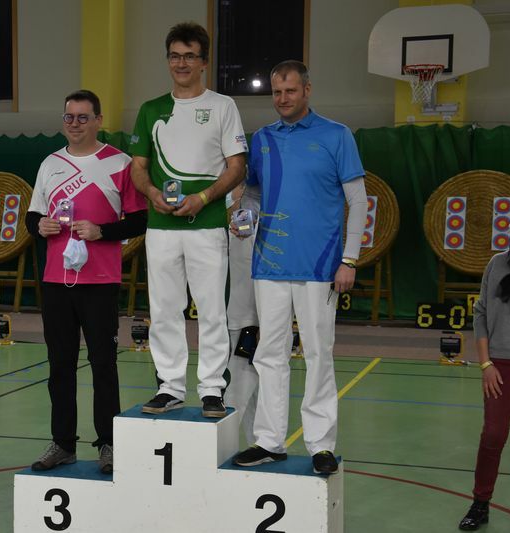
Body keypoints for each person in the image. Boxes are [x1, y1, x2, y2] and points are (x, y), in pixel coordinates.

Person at [231, 60, 367, 474]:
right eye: (276, 92)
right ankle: (269, 441)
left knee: (318, 354)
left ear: (307, 89)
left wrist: (349, 259)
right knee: (269, 355)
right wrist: (244, 218)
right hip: (269, 265)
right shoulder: (262, 139)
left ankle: (321, 444)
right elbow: (253, 194)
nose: (282, 99)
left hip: (320, 266)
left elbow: (358, 201)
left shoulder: (337, 135)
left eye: (290, 91)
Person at [24, 89, 147, 474]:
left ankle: (108, 443)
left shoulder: (120, 163)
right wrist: (40, 225)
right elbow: (32, 216)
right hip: (56, 280)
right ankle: (63, 444)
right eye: (69, 117)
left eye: (82, 117)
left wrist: (102, 231)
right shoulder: (50, 163)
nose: (74, 124)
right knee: (59, 365)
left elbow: (139, 220)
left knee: (103, 364)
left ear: (98, 120)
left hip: (100, 280)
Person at [130, 21, 247, 418]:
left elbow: (237, 166)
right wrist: (152, 194)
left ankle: (212, 389)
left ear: (204, 62)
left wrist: (203, 198)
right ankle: (170, 386)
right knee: (164, 309)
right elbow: (138, 168)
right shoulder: (150, 109)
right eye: (175, 56)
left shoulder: (223, 106)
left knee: (212, 309)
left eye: (190, 56)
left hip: (208, 226)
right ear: (168, 60)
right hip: (161, 228)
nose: (181, 63)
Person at [457, 193, 510, 533]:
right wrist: (485, 364)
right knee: (493, 434)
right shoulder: (497, 264)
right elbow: (480, 314)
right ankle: (480, 503)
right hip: (500, 362)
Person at [225, 184, 260, 444]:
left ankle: (258, 444)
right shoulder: (221, 197)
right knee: (237, 381)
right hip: (230, 310)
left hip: (253, 313)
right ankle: (240, 443)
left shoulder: (261, 200)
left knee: (247, 380)